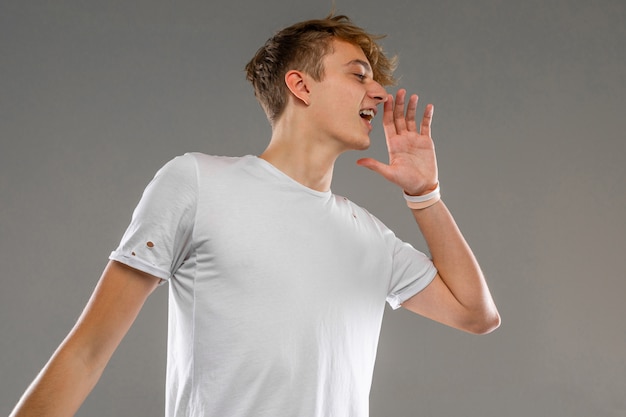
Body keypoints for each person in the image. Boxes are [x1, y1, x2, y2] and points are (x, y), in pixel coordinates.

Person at [10, 14, 500, 417]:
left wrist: (425, 195)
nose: (379, 94)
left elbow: (476, 314)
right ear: (300, 85)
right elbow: (87, 351)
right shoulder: (197, 183)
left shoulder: (370, 237)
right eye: (358, 74)